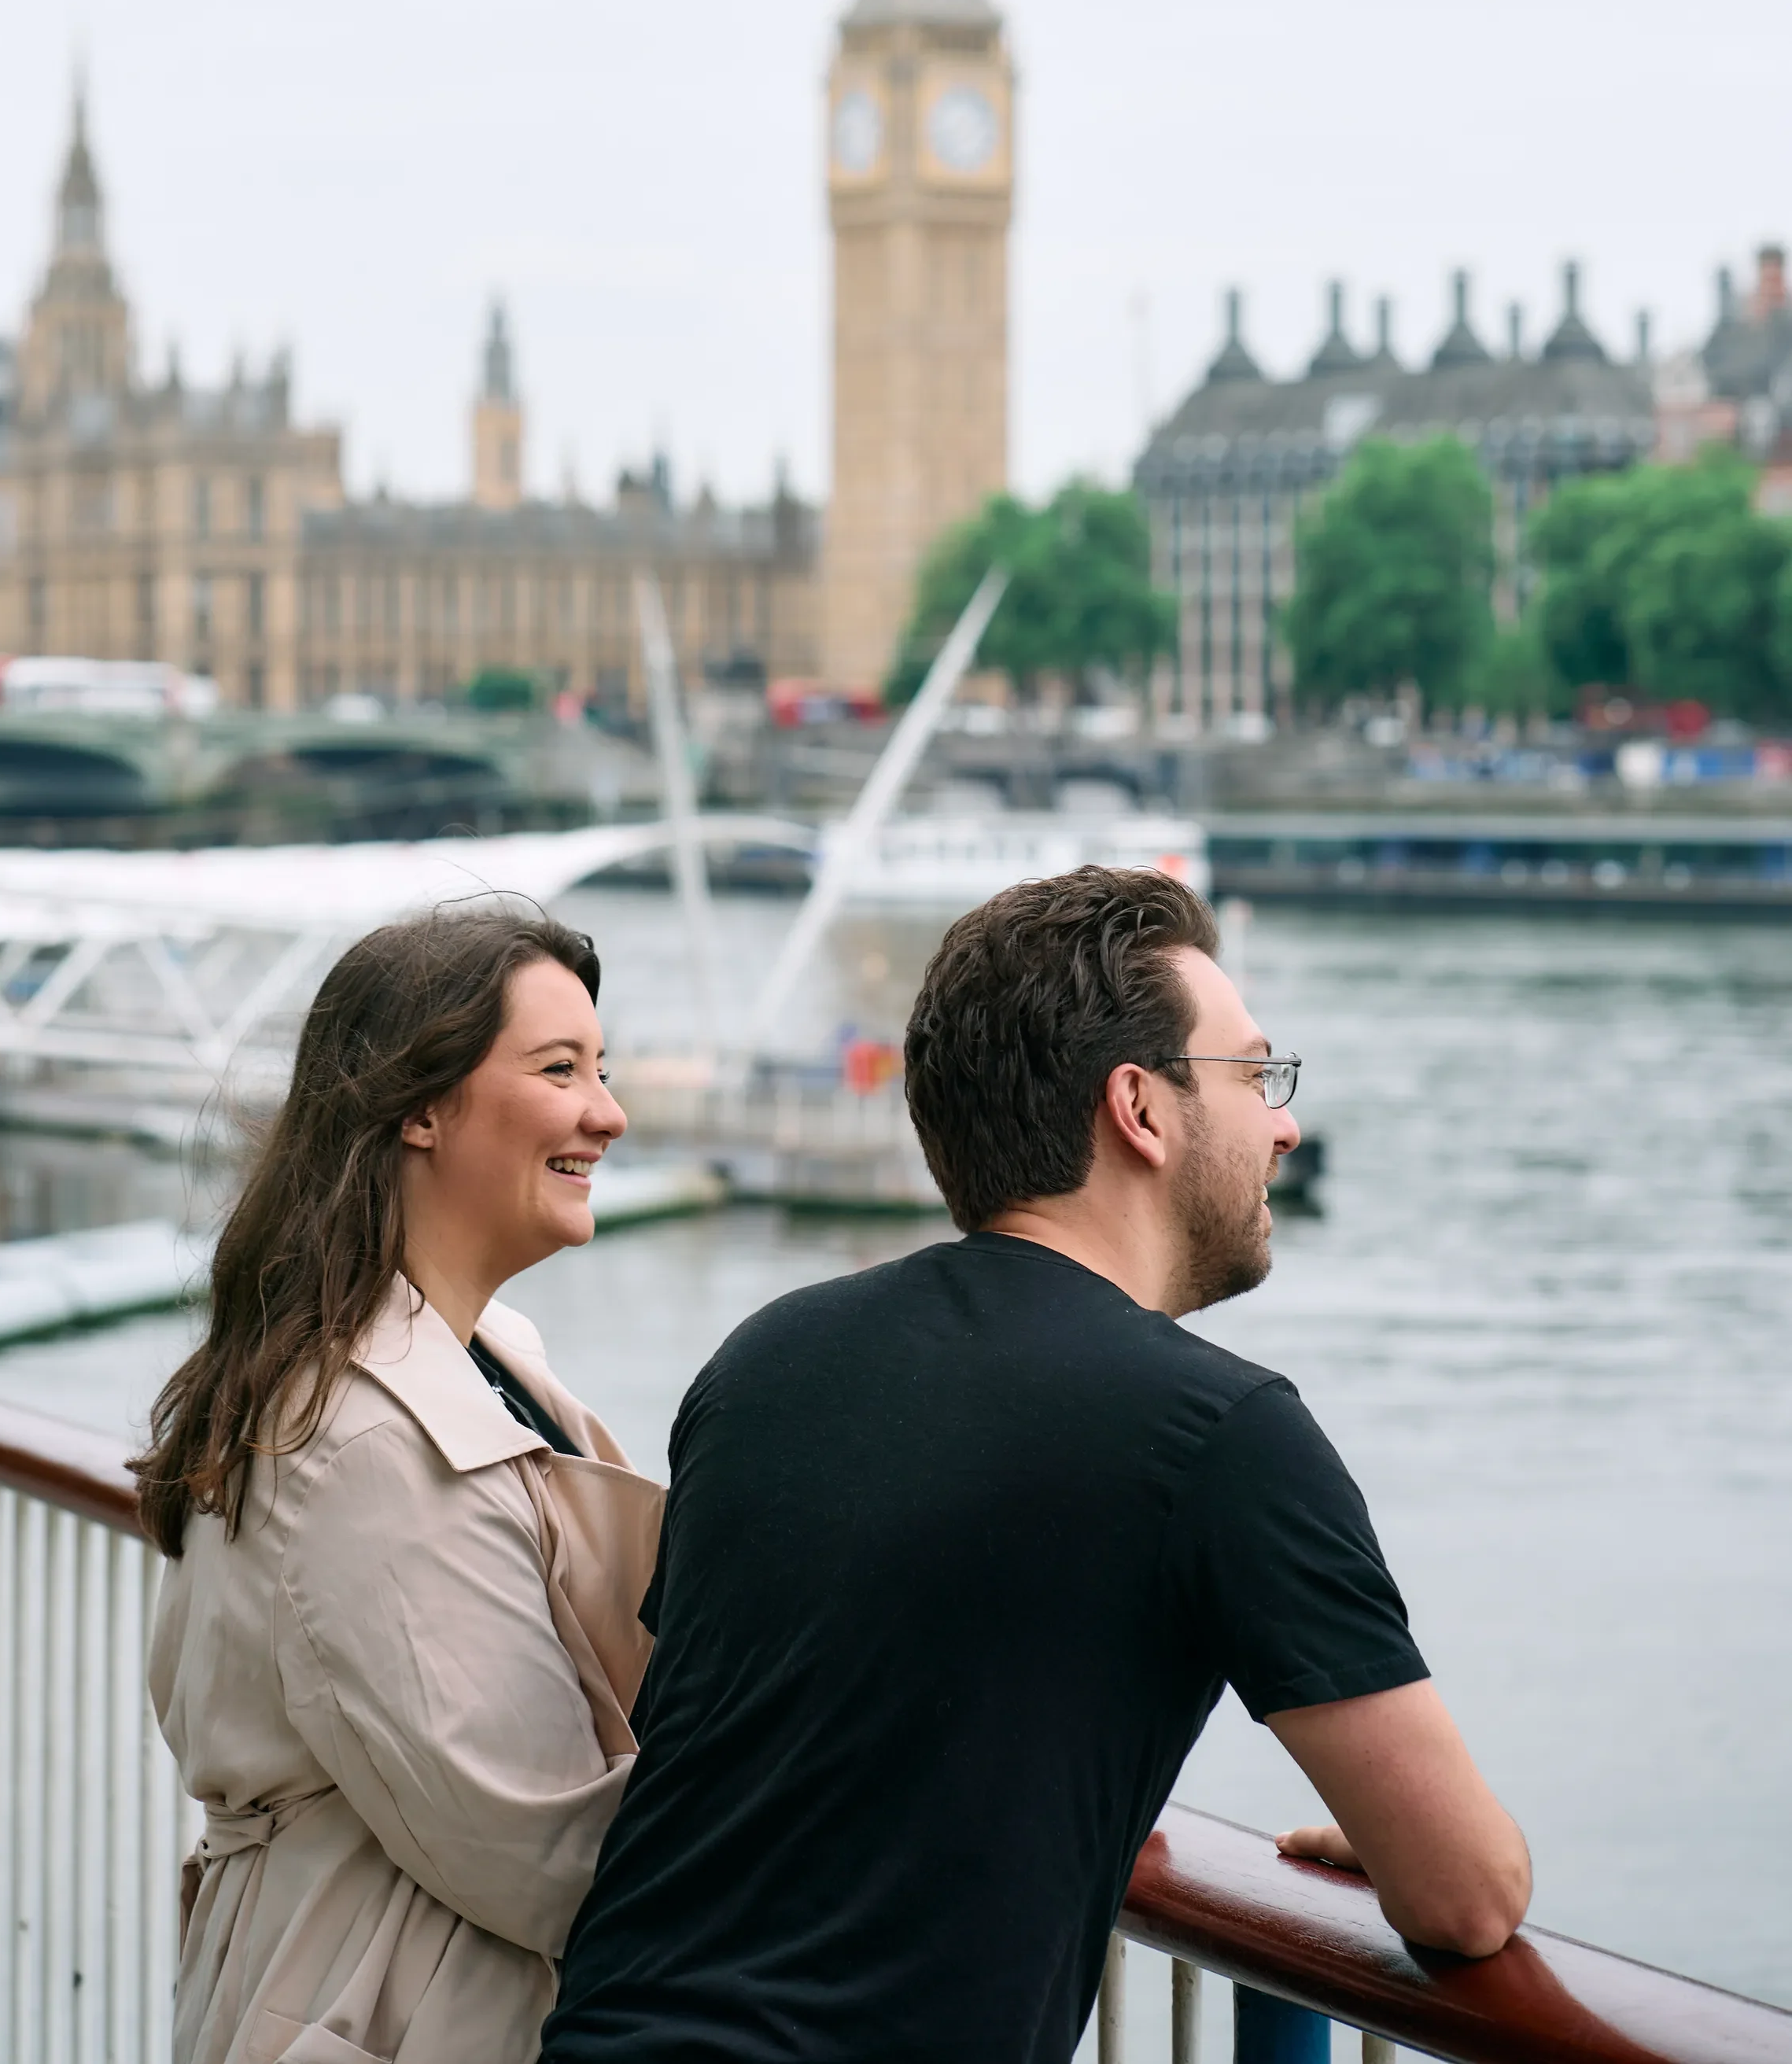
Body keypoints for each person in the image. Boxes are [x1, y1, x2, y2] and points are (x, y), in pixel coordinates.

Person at [544, 865, 1530, 2064]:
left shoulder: (766, 1362)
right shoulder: (1222, 1433)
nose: (1285, 1123)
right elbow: (1468, 1898)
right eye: (1257, 1074)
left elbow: (795, 1738)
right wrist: (1413, 1829)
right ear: (1142, 1108)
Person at [137, 899, 663, 2064]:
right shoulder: (363, 1437)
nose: (607, 1112)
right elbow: (535, 1845)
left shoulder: (474, 1354)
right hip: (386, 2008)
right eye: (560, 1068)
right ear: (419, 1108)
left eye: (603, 1068)